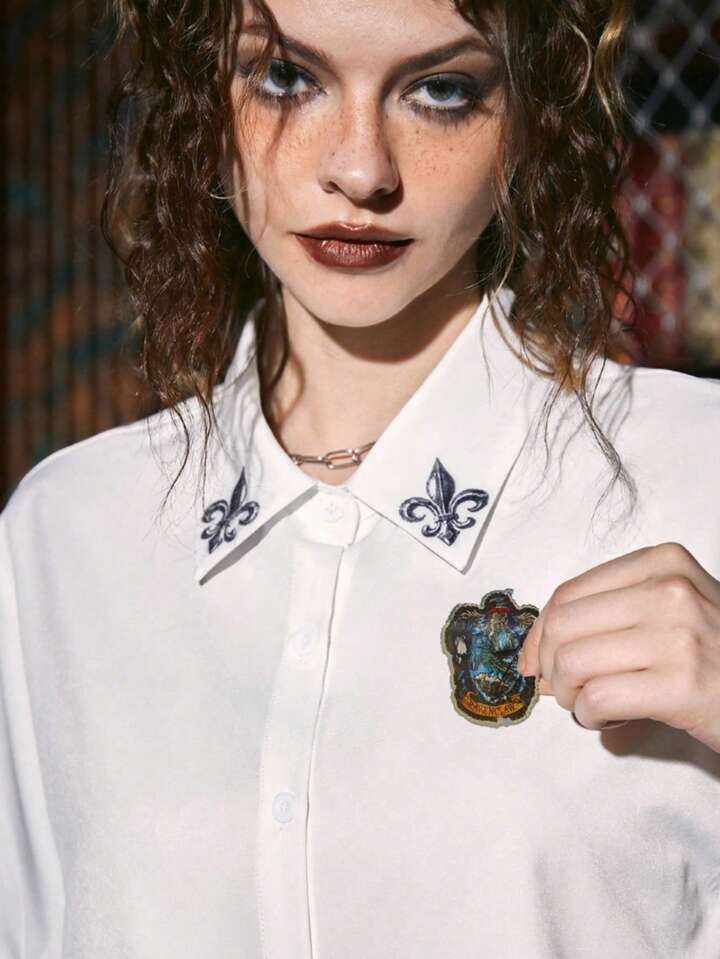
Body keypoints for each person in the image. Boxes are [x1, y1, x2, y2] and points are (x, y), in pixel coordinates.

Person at [2, 0, 719, 956]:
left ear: (530, 109)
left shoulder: (695, 473)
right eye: (286, 78)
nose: (361, 169)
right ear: (201, 88)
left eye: (442, 90)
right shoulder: (64, 536)